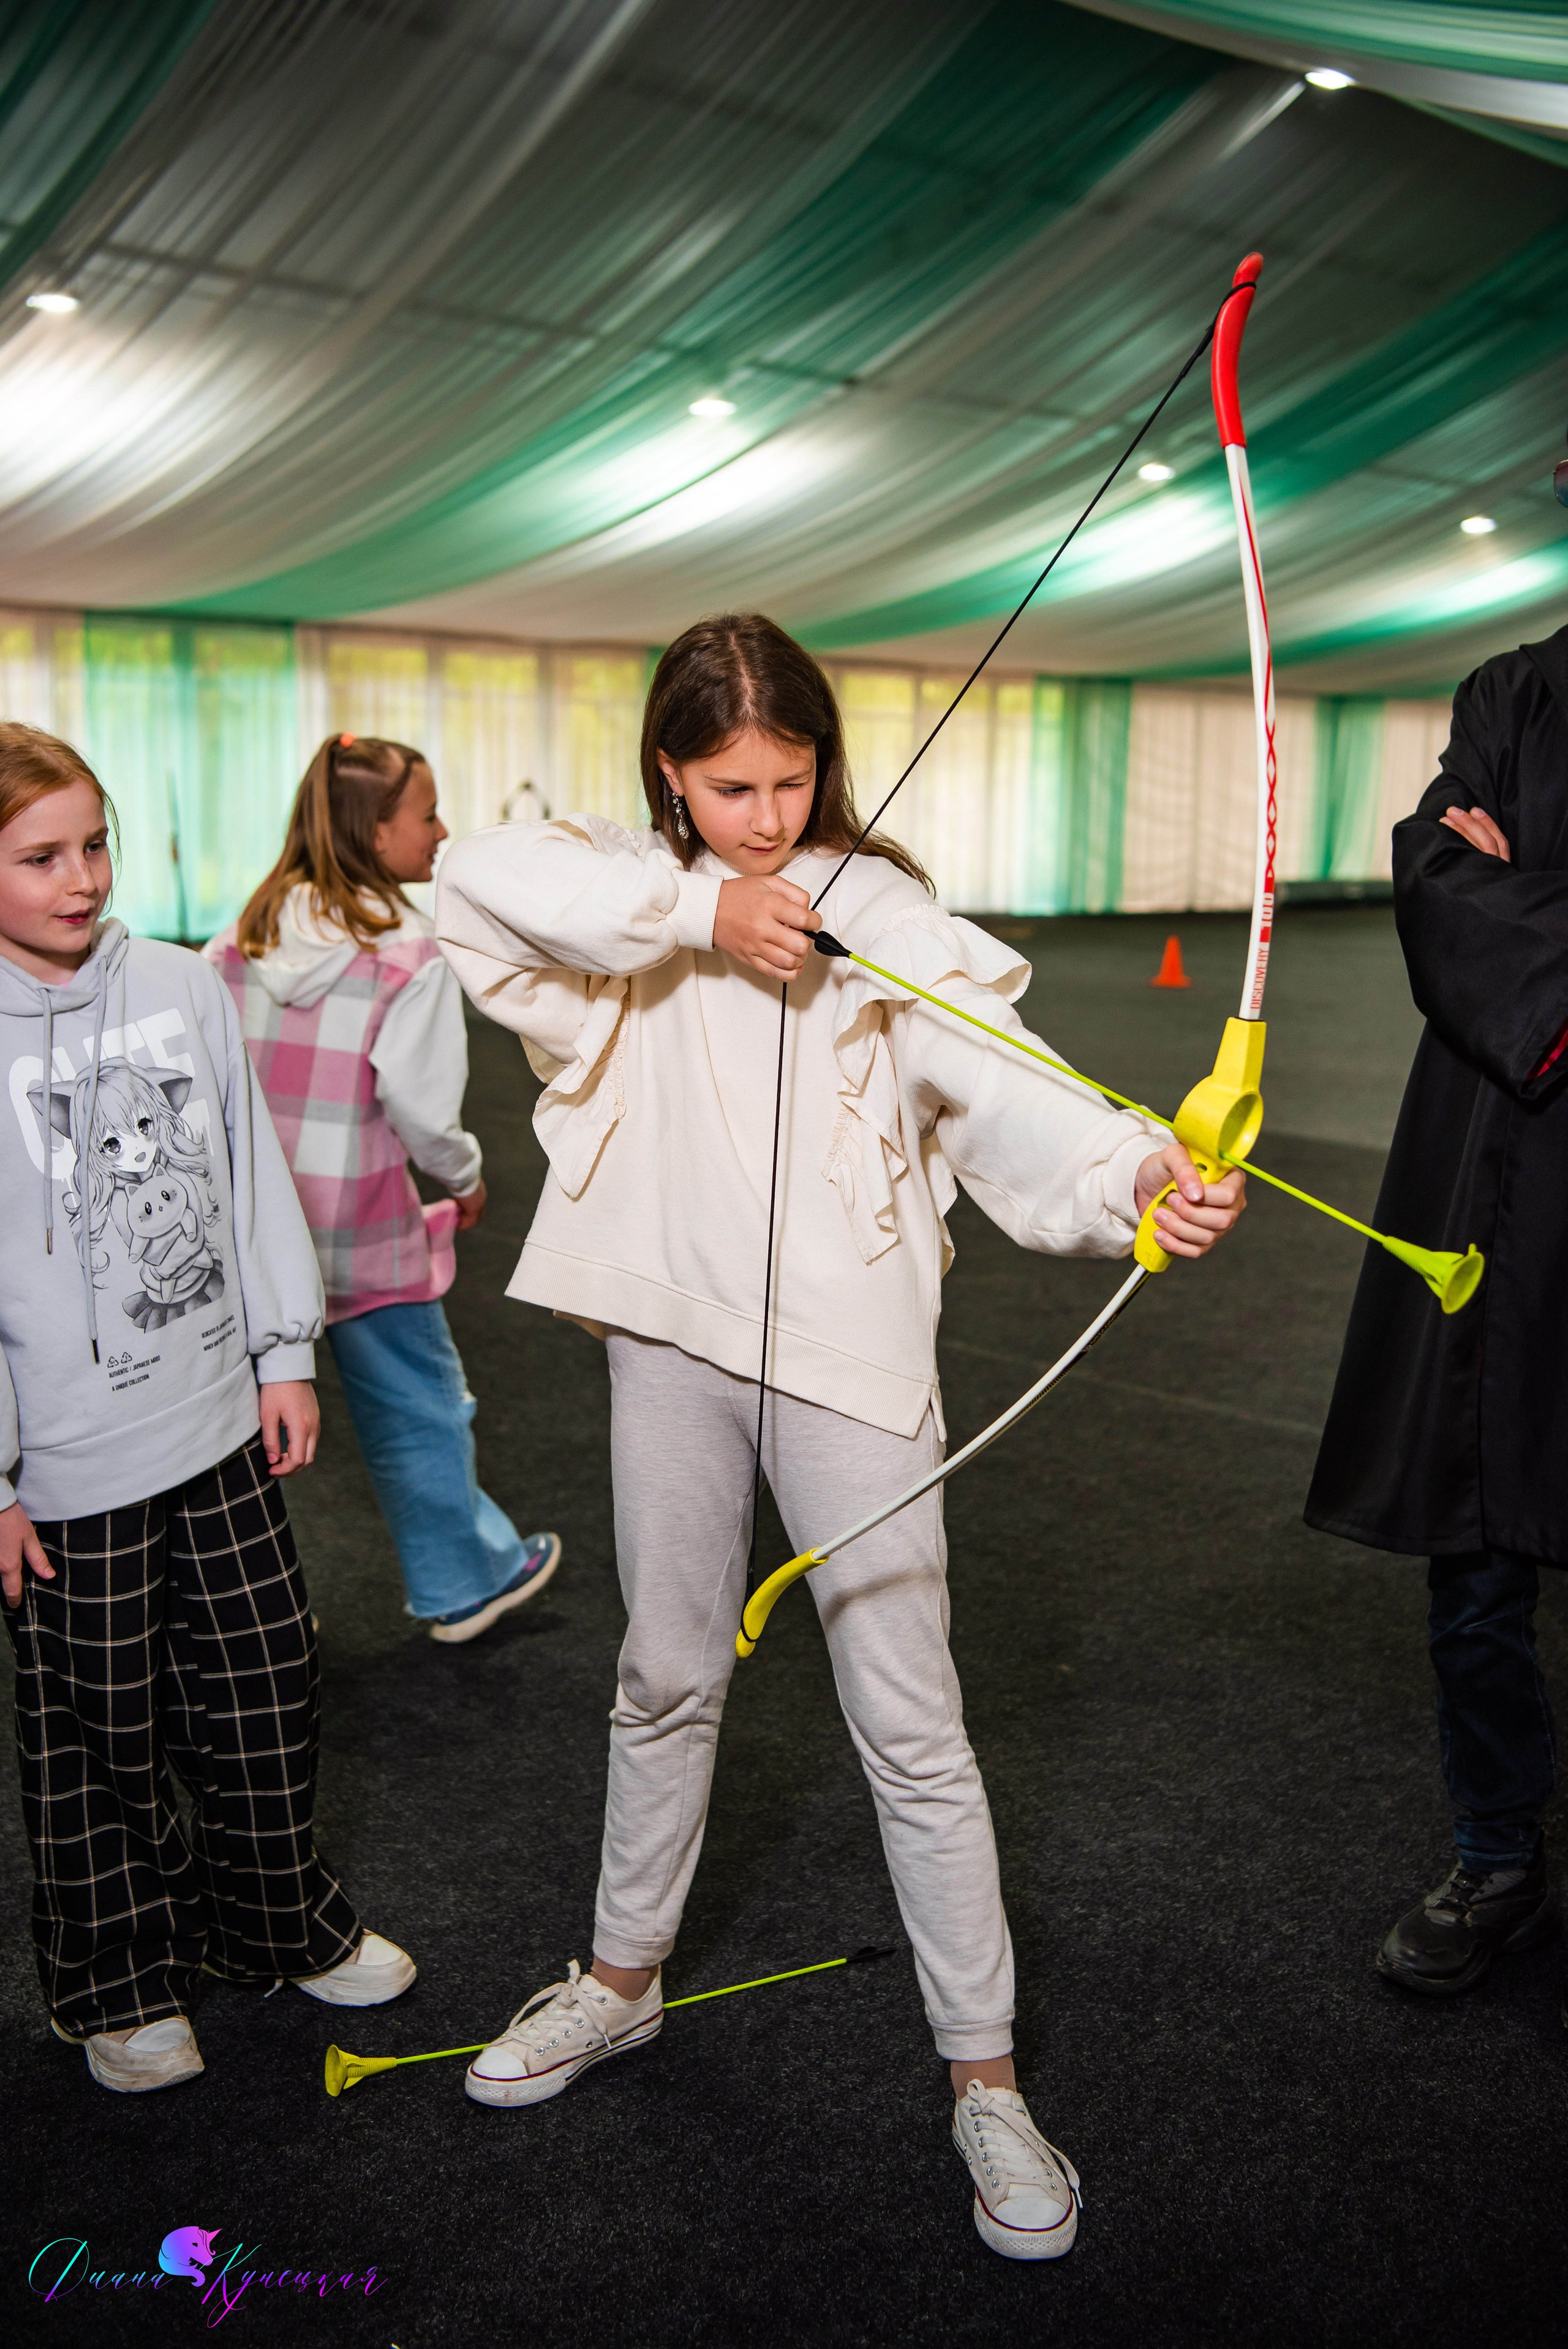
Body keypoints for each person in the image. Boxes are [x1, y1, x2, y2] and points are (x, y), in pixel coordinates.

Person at [436, 613, 1246, 2260]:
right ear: (670, 770)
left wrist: (1137, 1172)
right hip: (669, 1336)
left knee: (911, 1718)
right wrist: (696, 906)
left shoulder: (871, 909)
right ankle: (618, 1977)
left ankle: (987, 2076)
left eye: (791, 781)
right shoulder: (633, 893)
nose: (764, 816)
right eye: (728, 784)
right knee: (664, 1670)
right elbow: (467, 873)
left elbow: (1008, 1079)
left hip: (849, 1362)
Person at [0, 724, 415, 2095]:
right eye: (41, 856)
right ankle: (115, 1979)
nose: (82, 879)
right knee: (94, 1730)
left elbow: (247, 1180)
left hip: (219, 1428)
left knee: (262, 1686)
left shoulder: (182, 988)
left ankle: (276, 1919)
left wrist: (284, 1350)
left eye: (95, 844)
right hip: (64, 1474)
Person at [1306, 601, 1568, 2003]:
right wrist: (1489, 893)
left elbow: (1496, 901)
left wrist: (1529, 898)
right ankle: (1495, 1854)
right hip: (1490, 1163)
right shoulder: (1512, 691)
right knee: (1475, 1546)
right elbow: (1435, 878)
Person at [208, 734, 560, 1645]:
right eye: (429, 814)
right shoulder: (409, 953)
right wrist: (467, 1180)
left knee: (230, 1433)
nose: (443, 832)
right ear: (376, 830)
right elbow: (423, 1113)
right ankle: (461, 1582)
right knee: (416, 1407)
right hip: (361, 1232)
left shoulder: (234, 940)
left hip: (249, 1234)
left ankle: (248, 1615)